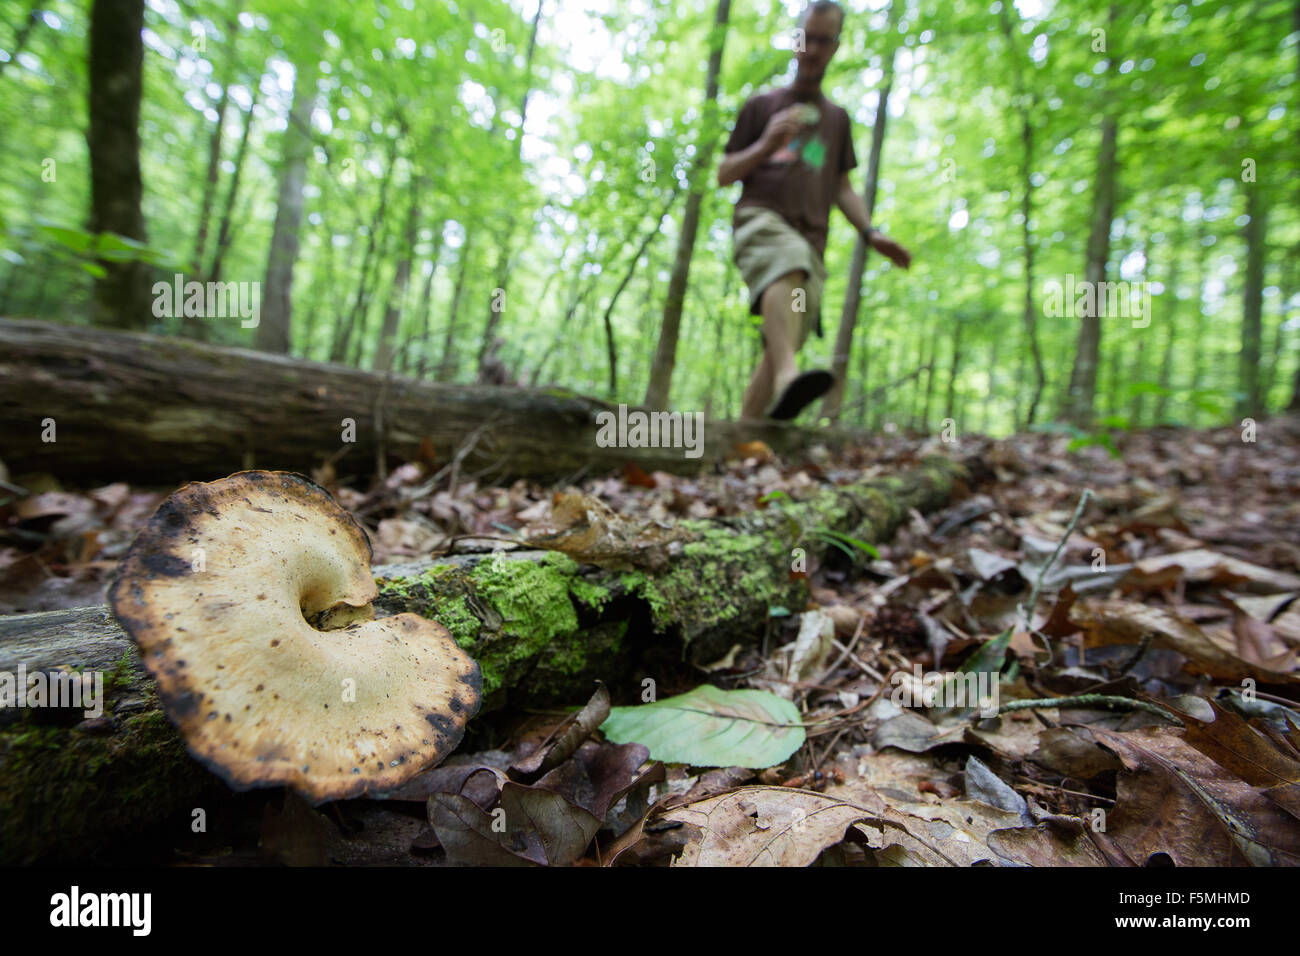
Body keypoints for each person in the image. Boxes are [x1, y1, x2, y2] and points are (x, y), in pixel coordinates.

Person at [718, 0, 913, 421]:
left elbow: (843, 188)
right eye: (808, 37)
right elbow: (723, 173)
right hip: (761, 219)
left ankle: (742, 442)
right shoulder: (761, 105)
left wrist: (871, 232)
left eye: (825, 40)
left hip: (813, 244)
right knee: (786, 265)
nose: (814, 48)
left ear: (836, 47)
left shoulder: (837, 120)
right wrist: (765, 145)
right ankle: (792, 375)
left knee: (780, 343)